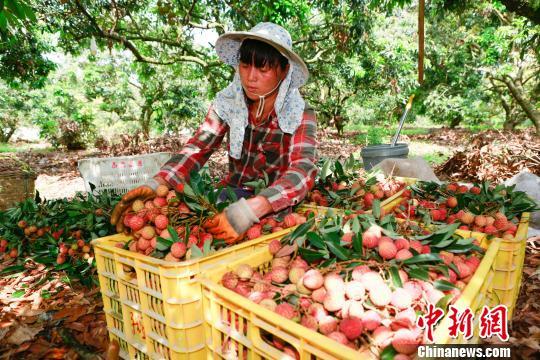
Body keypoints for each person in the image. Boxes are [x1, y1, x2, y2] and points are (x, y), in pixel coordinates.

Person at [111, 22, 318, 244]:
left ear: (284, 70)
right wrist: (158, 183)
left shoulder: (298, 113)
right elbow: (198, 147)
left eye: (263, 69)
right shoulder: (230, 103)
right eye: (245, 65)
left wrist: (252, 209)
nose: (251, 77)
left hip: (274, 207)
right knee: (184, 221)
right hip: (232, 195)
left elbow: (303, 169)